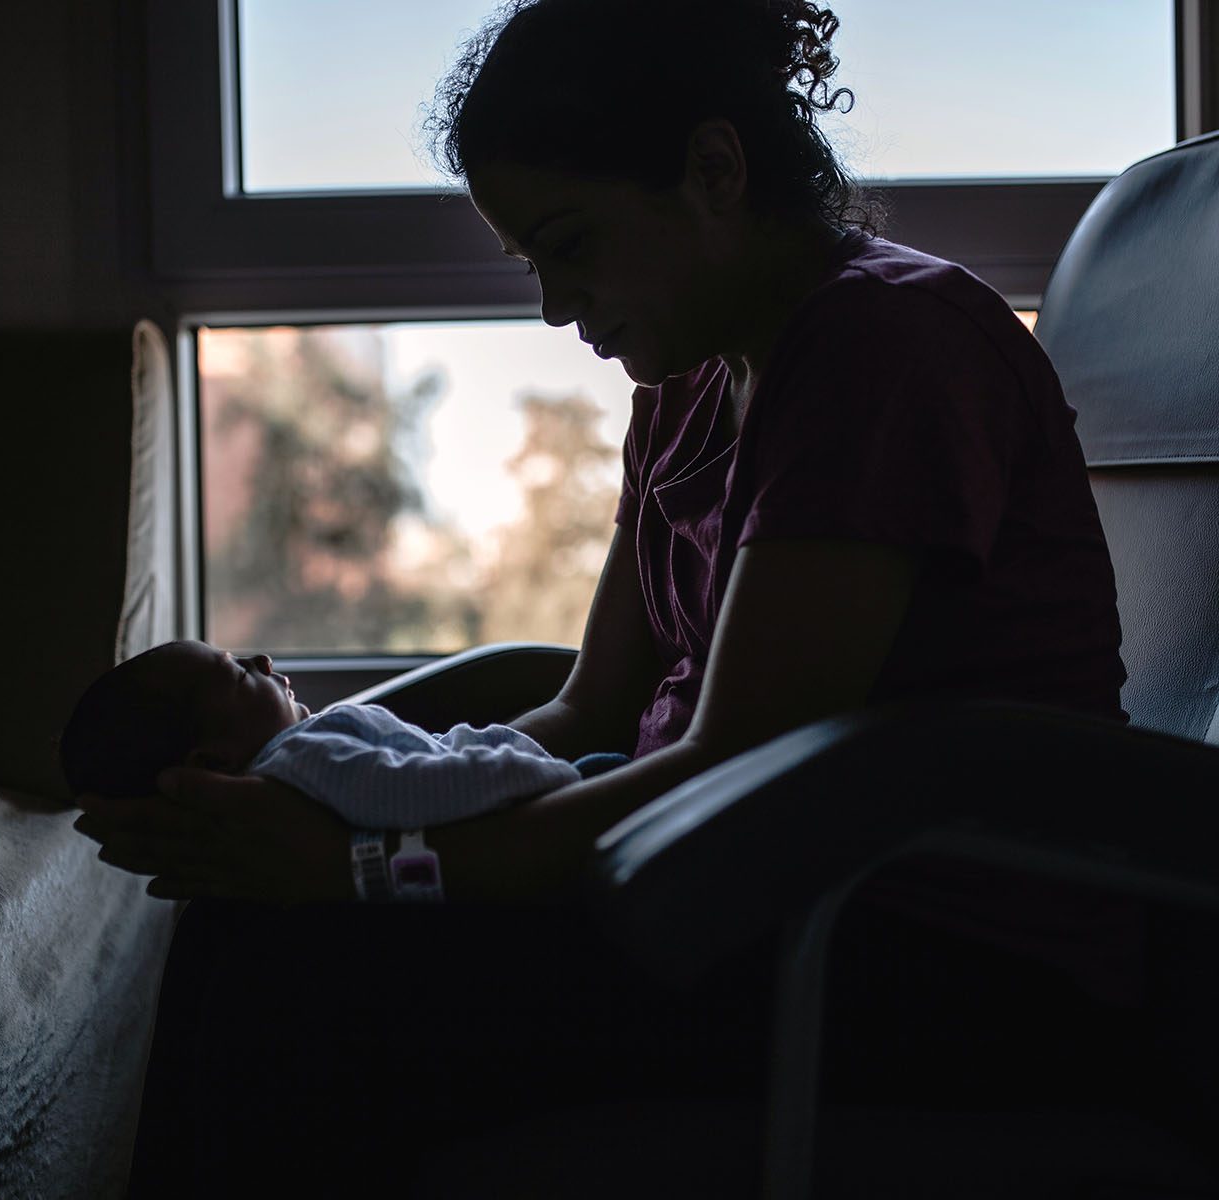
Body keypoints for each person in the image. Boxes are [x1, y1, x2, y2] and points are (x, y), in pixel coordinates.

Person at [79, 1, 1158, 1192]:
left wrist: (364, 873)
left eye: (572, 243)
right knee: (239, 919)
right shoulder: (689, 381)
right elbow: (590, 713)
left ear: (713, 169)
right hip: (725, 891)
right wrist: (326, 800)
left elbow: (735, 781)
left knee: (302, 984)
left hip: (926, 946)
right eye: (533, 260)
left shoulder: (884, 351)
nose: (550, 306)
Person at [61, 640, 585, 844]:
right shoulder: (306, 761)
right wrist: (550, 777)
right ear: (213, 759)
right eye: (240, 675)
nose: (262, 660)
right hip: (544, 793)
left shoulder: (301, 757)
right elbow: (420, 789)